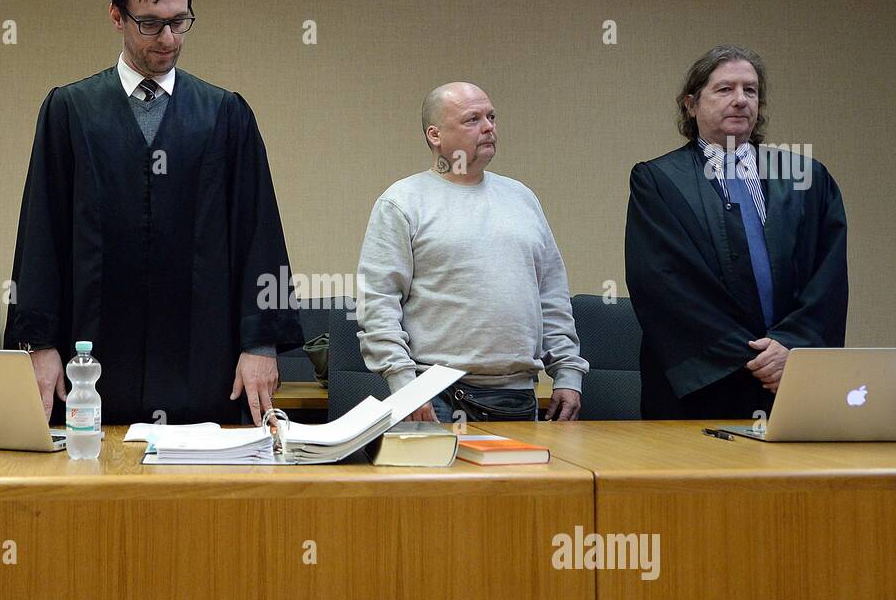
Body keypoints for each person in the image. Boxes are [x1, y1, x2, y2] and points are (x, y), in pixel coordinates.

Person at [5, 0, 303, 426]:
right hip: (91, 363)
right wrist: (37, 344)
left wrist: (261, 344)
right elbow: (41, 234)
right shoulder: (71, 110)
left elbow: (258, 234)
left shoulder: (224, 114)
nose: (167, 39)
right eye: (149, 24)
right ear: (116, 17)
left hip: (205, 359)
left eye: (179, 22)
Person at [625, 45, 849, 419]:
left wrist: (790, 346)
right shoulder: (658, 181)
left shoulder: (807, 178)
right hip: (702, 385)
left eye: (750, 90)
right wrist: (752, 357)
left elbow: (828, 278)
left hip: (790, 376)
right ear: (691, 104)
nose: (740, 100)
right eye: (724, 89)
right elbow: (662, 283)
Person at [355, 82, 588, 423]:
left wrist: (568, 374)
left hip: (517, 395)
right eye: (472, 119)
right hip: (433, 396)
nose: (489, 127)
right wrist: (405, 385)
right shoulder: (402, 202)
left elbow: (550, 294)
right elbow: (377, 301)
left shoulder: (522, 198)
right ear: (435, 135)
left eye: (492, 117)